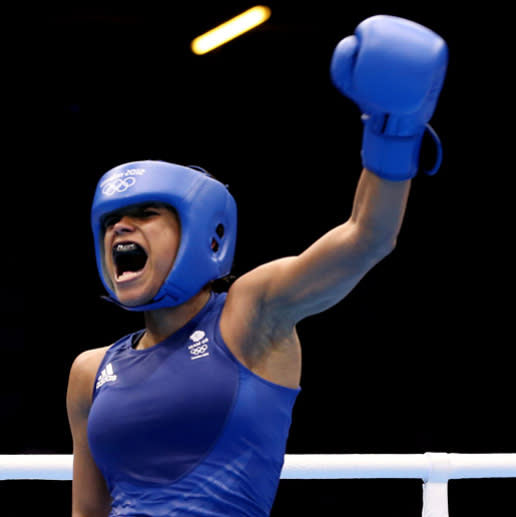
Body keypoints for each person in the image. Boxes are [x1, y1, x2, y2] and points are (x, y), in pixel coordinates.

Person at [66, 15, 448, 517]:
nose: (121, 227)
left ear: (202, 233)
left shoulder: (249, 314)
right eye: (111, 219)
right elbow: (87, 510)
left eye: (145, 213)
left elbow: (365, 238)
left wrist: (394, 131)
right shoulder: (90, 371)